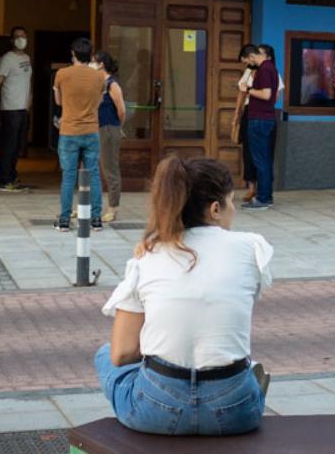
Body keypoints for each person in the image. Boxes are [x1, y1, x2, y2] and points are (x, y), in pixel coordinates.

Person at [97, 156, 271, 436]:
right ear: (215, 209)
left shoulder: (147, 257)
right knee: (238, 365)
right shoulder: (252, 249)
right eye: (232, 202)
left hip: (158, 408)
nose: (233, 211)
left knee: (105, 354)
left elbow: (122, 353)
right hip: (235, 409)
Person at [54, 38, 107, 232]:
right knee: (93, 174)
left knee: (68, 176)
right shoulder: (99, 77)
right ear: (90, 56)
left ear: (73, 54)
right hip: (91, 130)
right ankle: (96, 219)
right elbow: (100, 101)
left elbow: (58, 101)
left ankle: (64, 220)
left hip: (69, 131)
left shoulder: (62, 74)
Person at [0, 26, 33, 192]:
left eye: (23, 36)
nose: (21, 39)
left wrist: (29, 100)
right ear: (12, 40)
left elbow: (27, 81)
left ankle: (13, 177)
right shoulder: (7, 58)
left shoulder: (27, 58)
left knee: (18, 145)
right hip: (10, 108)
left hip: (22, 108)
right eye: (17, 36)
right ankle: (4, 180)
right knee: (8, 145)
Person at [242, 45, 279, 211]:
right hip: (267, 118)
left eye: (248, 60)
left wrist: (248, 89)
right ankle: (267, 196)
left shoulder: (264, 69)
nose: (249, 64)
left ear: (251, 56)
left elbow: (266, 94)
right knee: (265, 159)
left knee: (260, 160)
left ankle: (263, 198)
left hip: (259, 120)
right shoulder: (271, 68)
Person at [95, 50, 126, 223]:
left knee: (110, 168)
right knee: (91, 167)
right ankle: (91, 205)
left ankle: (113, 208)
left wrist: (118, 127)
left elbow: (121, 110)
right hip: (95, 128)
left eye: (94, 61)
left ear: (101, 64)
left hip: (108, 128)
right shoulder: (97, 83)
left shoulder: (112, 84)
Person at [232, 44, 259, 204]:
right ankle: (251, 187)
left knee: (261, 152)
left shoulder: (269, 72)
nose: (246, 63)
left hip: (262, 113)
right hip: (249, 112)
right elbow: (241, 93)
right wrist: (237, 114)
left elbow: (273, 97)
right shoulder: (249, 71)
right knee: (248, 150)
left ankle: (262, 188)